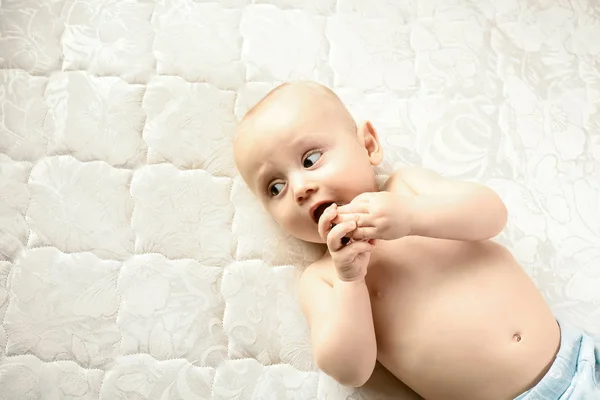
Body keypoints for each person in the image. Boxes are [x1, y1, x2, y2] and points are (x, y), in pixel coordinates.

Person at [233, 81, 600, 400]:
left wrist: (412, 215)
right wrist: (350, 281)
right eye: (275, 187)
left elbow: (492, 214)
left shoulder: (407, 187)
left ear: (369, 145)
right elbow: (349, 370)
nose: (300, 188)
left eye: (311, 159)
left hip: (580, 359)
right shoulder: (324, 277)